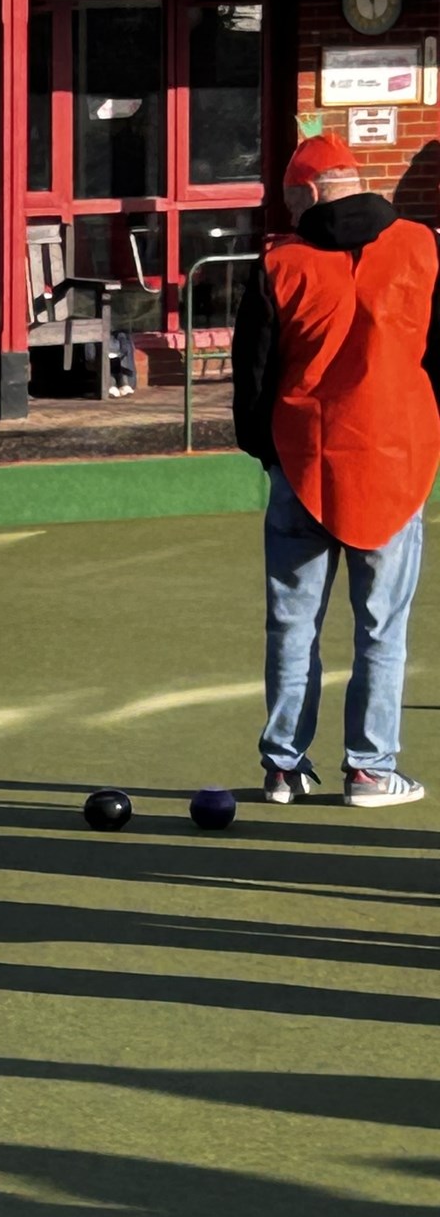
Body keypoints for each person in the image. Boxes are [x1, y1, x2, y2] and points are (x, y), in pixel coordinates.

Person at [231, 131, 440, 808]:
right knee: (383, 626)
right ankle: (371, 769)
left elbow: (253, 376)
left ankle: (283, 766)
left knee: (292, 624)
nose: (288, 211)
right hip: (395, 459)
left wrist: (267, 453)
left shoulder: (279, 263)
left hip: (305, 459)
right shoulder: (422, 246)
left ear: (310, 192)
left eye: (291, 198)